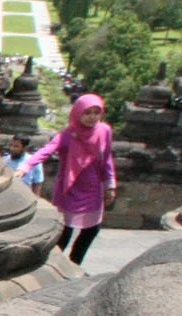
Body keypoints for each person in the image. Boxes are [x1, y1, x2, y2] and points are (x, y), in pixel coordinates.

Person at [25, 95, 117, 266]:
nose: (92, 117)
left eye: (96, 112)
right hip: (69, 189)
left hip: (93, 188)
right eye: (87, 113)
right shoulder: (68, 134)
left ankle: (75, 264)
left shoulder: (104, 131)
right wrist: (26, 166)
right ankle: (54, 265)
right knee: (64, 232)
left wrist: (110, 185)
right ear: (78, 113)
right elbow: (48, 149)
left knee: (91, 230)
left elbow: (106, 158)